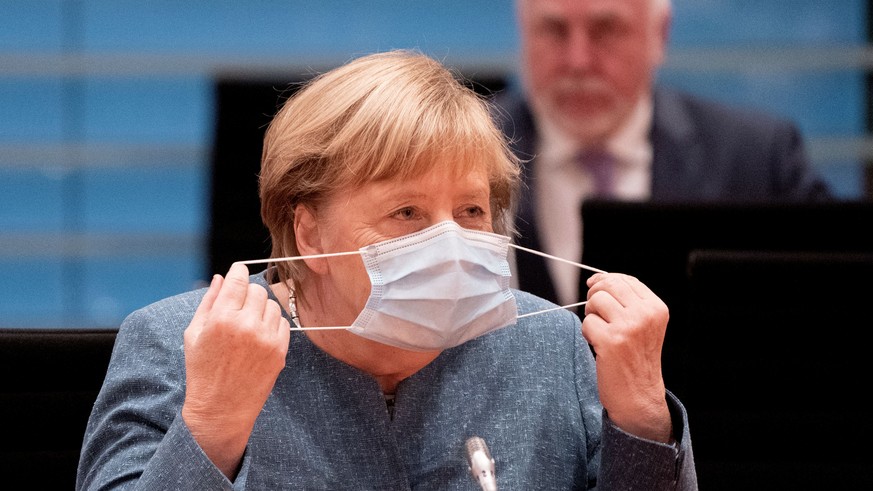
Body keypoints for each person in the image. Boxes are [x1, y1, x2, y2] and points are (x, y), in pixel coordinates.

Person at [77, 49, 698, 489]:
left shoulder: (552, 346)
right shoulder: (175, 346)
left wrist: (642, 419)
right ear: (309, 232)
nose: (450, 243)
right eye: (407, 211)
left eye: (472, 210)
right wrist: (213, 426)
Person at [493, 0, 835, 306]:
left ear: (659, 33)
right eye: (554, 30)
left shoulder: (757, 158)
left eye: (606, 29)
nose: (578, 61)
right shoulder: (467, 148)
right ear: (524, 33)